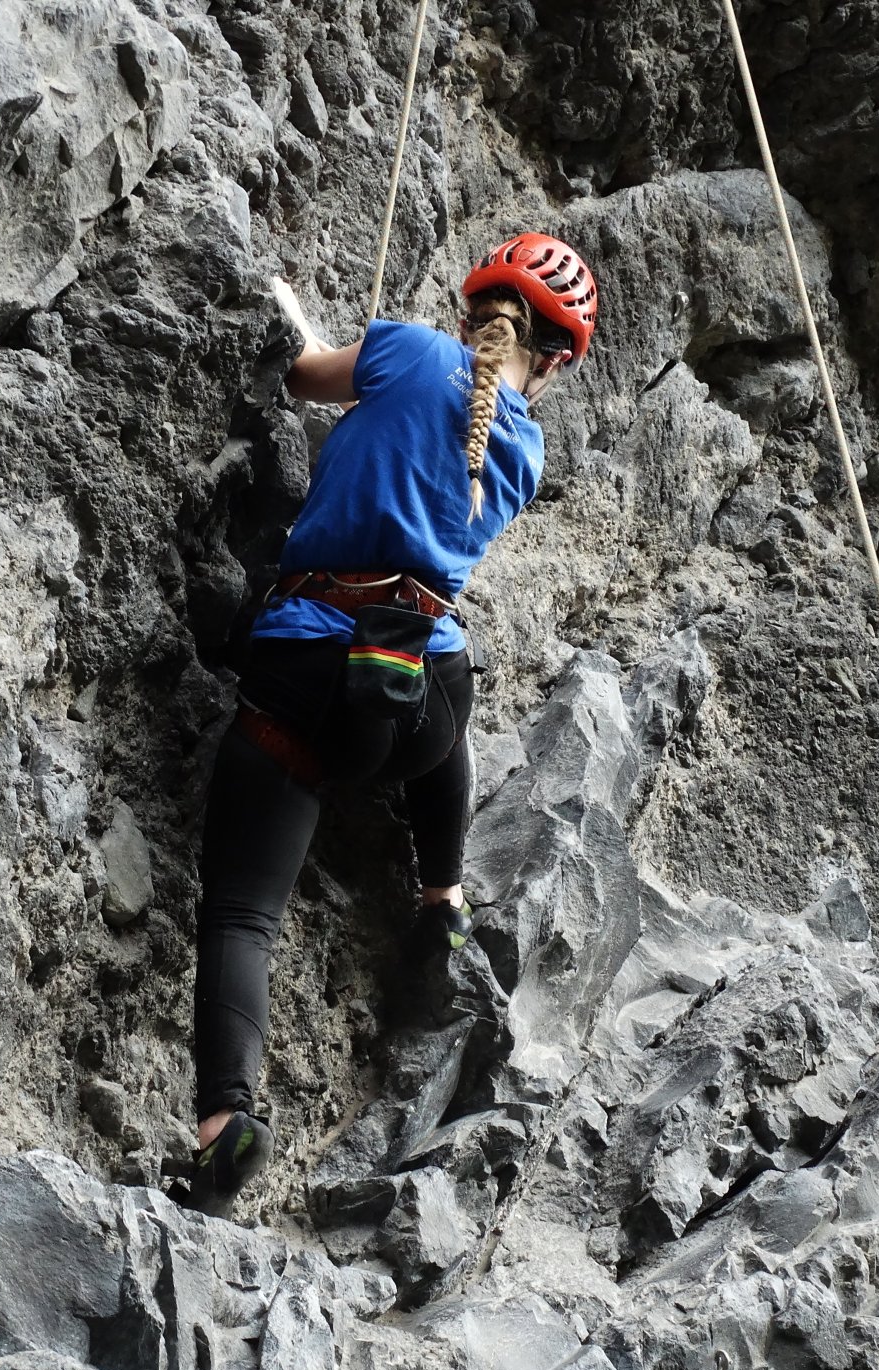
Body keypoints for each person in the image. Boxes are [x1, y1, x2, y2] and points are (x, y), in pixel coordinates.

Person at [180, 234, 599, 1218]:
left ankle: (226, 1122)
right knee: (449, 663)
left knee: (242, 913)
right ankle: (442, 894)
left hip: (306, 681)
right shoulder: (526, 452)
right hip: (414, 709)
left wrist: (331, 341)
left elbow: (299, 374)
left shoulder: (406, 348)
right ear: (555, 363)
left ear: (472, 310)